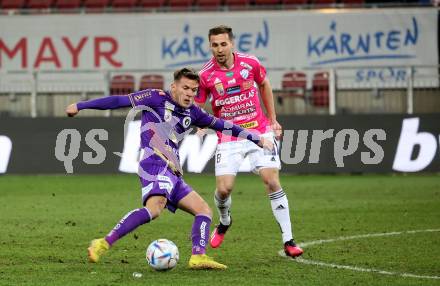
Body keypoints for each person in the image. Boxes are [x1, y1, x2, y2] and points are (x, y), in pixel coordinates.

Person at [65, 67, 274, 270]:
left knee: (203, 210)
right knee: (155, 209)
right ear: (174, 87)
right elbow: (119, 101)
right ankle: (102, 243)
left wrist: (255, 138)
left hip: (172, 170)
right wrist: (81, 106)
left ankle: (198, 256)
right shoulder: (154, 97)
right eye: (185, 88)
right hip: (154, 163)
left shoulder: (194, 112)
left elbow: (223, 125)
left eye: (193, 90)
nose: (190, 93)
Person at [196, 25, 303, 258]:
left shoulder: (250, 63)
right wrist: (201, 125)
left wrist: (273, 120)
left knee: (271, 180)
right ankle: (224, 221)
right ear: (210, 46)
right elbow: (198, 105)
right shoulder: (205, 75)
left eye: (223, 44)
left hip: (260, 131)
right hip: (228, 135)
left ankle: (289, 240)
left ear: (232, 44)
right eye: (214, 45)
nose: (219, 49)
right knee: (224, 190)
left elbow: (264, 84)